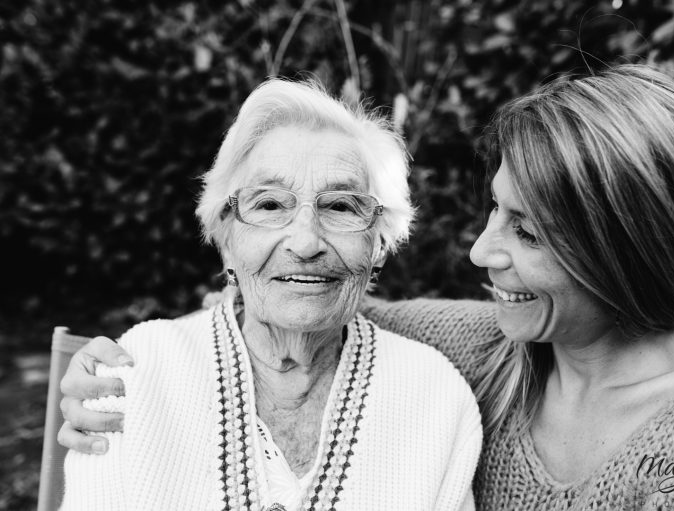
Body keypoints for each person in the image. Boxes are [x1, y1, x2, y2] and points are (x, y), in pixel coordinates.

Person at [59, 65, 674, 510]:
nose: (480, 250)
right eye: (266, 204)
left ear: (627, 247)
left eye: (527, 231)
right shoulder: (484, 344)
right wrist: (126, 364)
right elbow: (303, 297)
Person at [58, 78, 482, 511]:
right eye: (270, 205)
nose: (305, 242)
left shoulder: (436, 399)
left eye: (340, 206)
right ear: (226, 238)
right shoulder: (136, 371)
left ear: (379, 243)